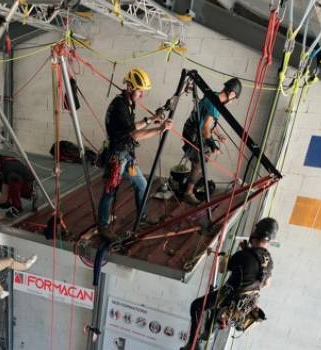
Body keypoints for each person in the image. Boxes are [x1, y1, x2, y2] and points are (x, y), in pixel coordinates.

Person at [98, 68, 173, 238]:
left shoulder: (128, 102)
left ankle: (142, 217)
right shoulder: (119, 106)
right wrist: (159, 129)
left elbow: (131, 127)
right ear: (130, 87)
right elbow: (135, 134)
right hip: (117, 156)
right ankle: (103, 226)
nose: (142, 95)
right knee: (109, 192)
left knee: (142, 185)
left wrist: (150, 120)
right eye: (140, 91)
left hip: (126, 155)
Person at [181, 217, 276, 350]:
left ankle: (192, 344)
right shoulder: (269, 261)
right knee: (215, 309)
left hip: (231, 298)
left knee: (196, 306)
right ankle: (218, 322)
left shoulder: (244, 255)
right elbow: (266, 283)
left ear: (256, 233)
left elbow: (223, 269)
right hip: (246, 304)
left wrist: (231, 255)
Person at [181, 78, 242, 205]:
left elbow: (208, 122)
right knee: (199, 161)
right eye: (234, 98)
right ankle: (188, 192)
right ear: (231, 94)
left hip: (193, 129)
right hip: (193, 133)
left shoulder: (213, 95)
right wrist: (214, 146)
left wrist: (218, 134)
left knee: (205, 157)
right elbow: (204, 128)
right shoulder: (216, 105)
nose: (233, 102)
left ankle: (195, 180)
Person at [0, 143, 36, 218]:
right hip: (18, 181)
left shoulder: (8, 169)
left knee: (12, 178)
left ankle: (17, 207)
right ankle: (10, 200)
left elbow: (3, 197)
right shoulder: (1, 161)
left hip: (28, 188)